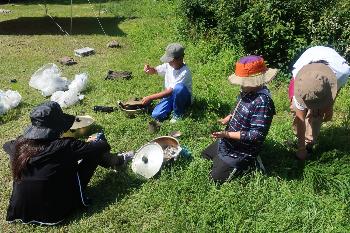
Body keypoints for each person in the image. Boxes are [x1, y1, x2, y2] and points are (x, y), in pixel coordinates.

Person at [2, 101, 134, 225]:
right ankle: (118, 161)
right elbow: (103, 146)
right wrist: (89, 143)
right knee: (94, 148)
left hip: (20, 211)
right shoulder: (64, 146)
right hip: (55, 213)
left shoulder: (19, 146)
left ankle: (116, 161)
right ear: (57, 127)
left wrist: (24, 140)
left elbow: (6, 145)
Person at [202, 55, 277, 184]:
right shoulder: (246, 91)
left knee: (215, 179)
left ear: (256, 82)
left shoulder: (263, 102)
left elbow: (256, 135)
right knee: (205, 156)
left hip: (243, 150)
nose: (241, 84)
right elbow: (238, 105)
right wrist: (229, 117)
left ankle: (251, 163)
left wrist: (227, 134)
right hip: (229, 141)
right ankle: (225, 159)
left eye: (244, 81)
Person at [288, 46, 350, 160]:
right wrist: (300, 150)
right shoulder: (298, 76)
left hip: (330, 72)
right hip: (304, 71)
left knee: (317, 112)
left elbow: (336, 89)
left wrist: (329, 106)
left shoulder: (342, 72)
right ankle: (300, 142)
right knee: (295, 108)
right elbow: (300, 117)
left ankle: (309, 143)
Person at [142, 43, 192, 123]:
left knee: (179, 88)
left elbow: (170, 91)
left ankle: (178, 113)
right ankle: (172, 106)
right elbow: (156, 70)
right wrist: (150, 69)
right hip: (170, 96)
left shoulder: (185, 72)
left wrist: (150, 97)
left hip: (183, 98)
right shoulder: (169, 65)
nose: (168, 62)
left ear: (180, 59)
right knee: (156, 115)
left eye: (170, 61)